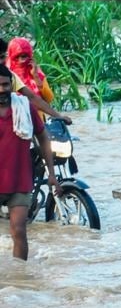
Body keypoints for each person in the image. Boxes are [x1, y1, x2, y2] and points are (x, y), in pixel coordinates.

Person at [0, 64, 62, 260]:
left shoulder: (24, 107)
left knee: (19, 232)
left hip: (19, 180)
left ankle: (20, 281)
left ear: (12, 85)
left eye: (6, 85)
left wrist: (51, 173)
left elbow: (43, 137)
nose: (2, 90)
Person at [1, 37, 72, 125]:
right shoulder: (7, 72)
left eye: (24, 56)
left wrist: (35, 76)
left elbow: (37, 98)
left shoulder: (12, 76)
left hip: (33, 120)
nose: (21, 60)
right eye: (17, 57)